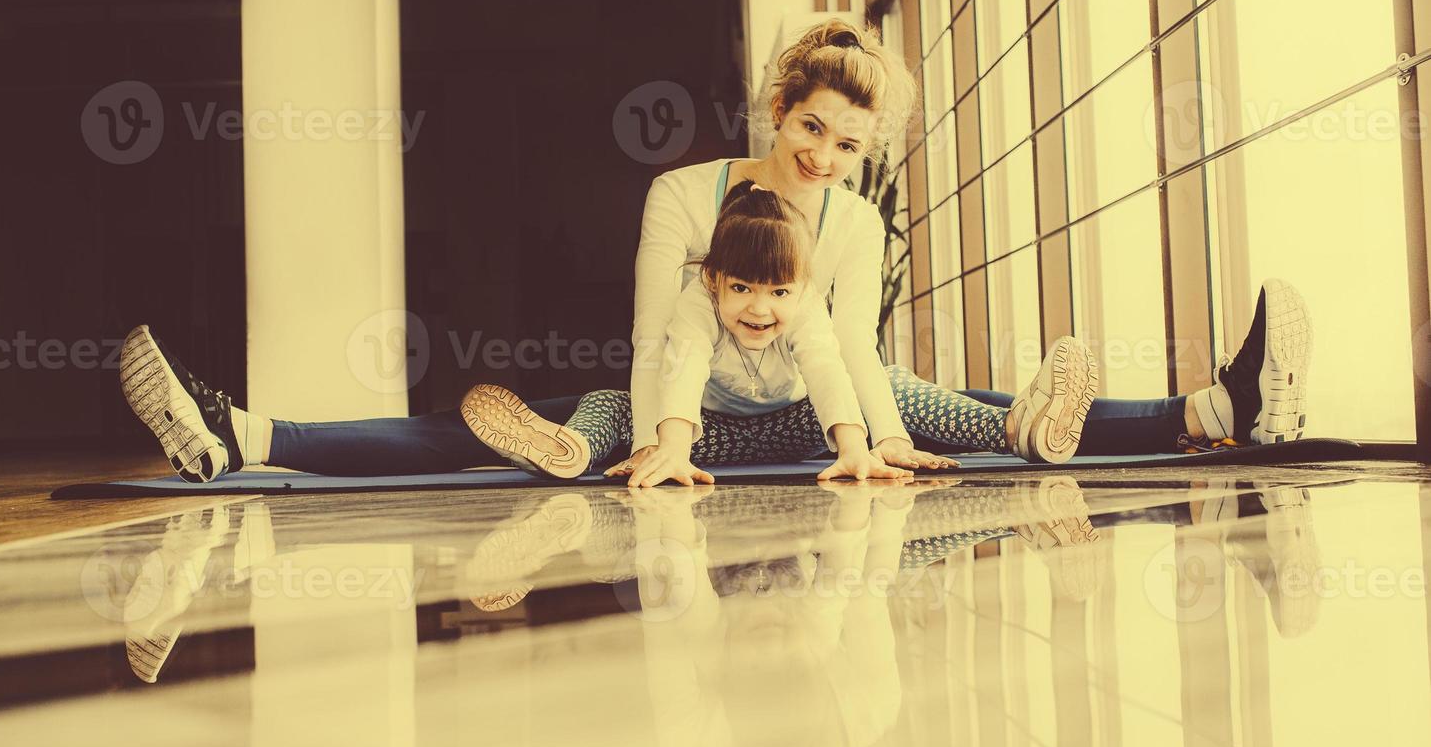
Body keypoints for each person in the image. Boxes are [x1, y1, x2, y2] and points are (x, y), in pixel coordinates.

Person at [117, 18, 1310, 484]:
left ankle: (1209, 404)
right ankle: (244, 433)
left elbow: (846, 343)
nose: (826, 159)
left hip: (812, 408)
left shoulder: (856, 220)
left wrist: (871, 441)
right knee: (529, 414)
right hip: (686, 406)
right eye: (811, 130)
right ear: (774, 107)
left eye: (849, 145)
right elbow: (659, 332)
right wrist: (658, 440)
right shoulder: (685, 197)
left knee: (926, 395)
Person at [460, 180, 1097, 487]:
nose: (759, 308)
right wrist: (673, 450)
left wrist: (853, 448)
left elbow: (825, 367)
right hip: (708, 438)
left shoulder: (806, 308)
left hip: (799, 429)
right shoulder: (695, 306)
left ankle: (1016, 429)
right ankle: (570, 447)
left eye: (777, 291)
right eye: (741, 288)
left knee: (896, 388)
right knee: (611, 406)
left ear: (801, 285)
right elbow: (679, 369)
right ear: (713, 279)